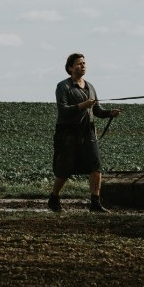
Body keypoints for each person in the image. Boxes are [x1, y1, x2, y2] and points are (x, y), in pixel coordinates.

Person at [49, 53, 121, 212]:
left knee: (96, 167)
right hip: (68, 133)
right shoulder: (63, 86)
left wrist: (110, 113)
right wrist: (84, 105)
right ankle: (54, 197)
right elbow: (63, 110)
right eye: (79, 64)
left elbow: (97, 110)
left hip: (88, 132)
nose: (83, 66)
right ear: (70, 68)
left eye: (84, 63)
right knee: (65, 170)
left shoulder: (90, 87)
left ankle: (95, 203)